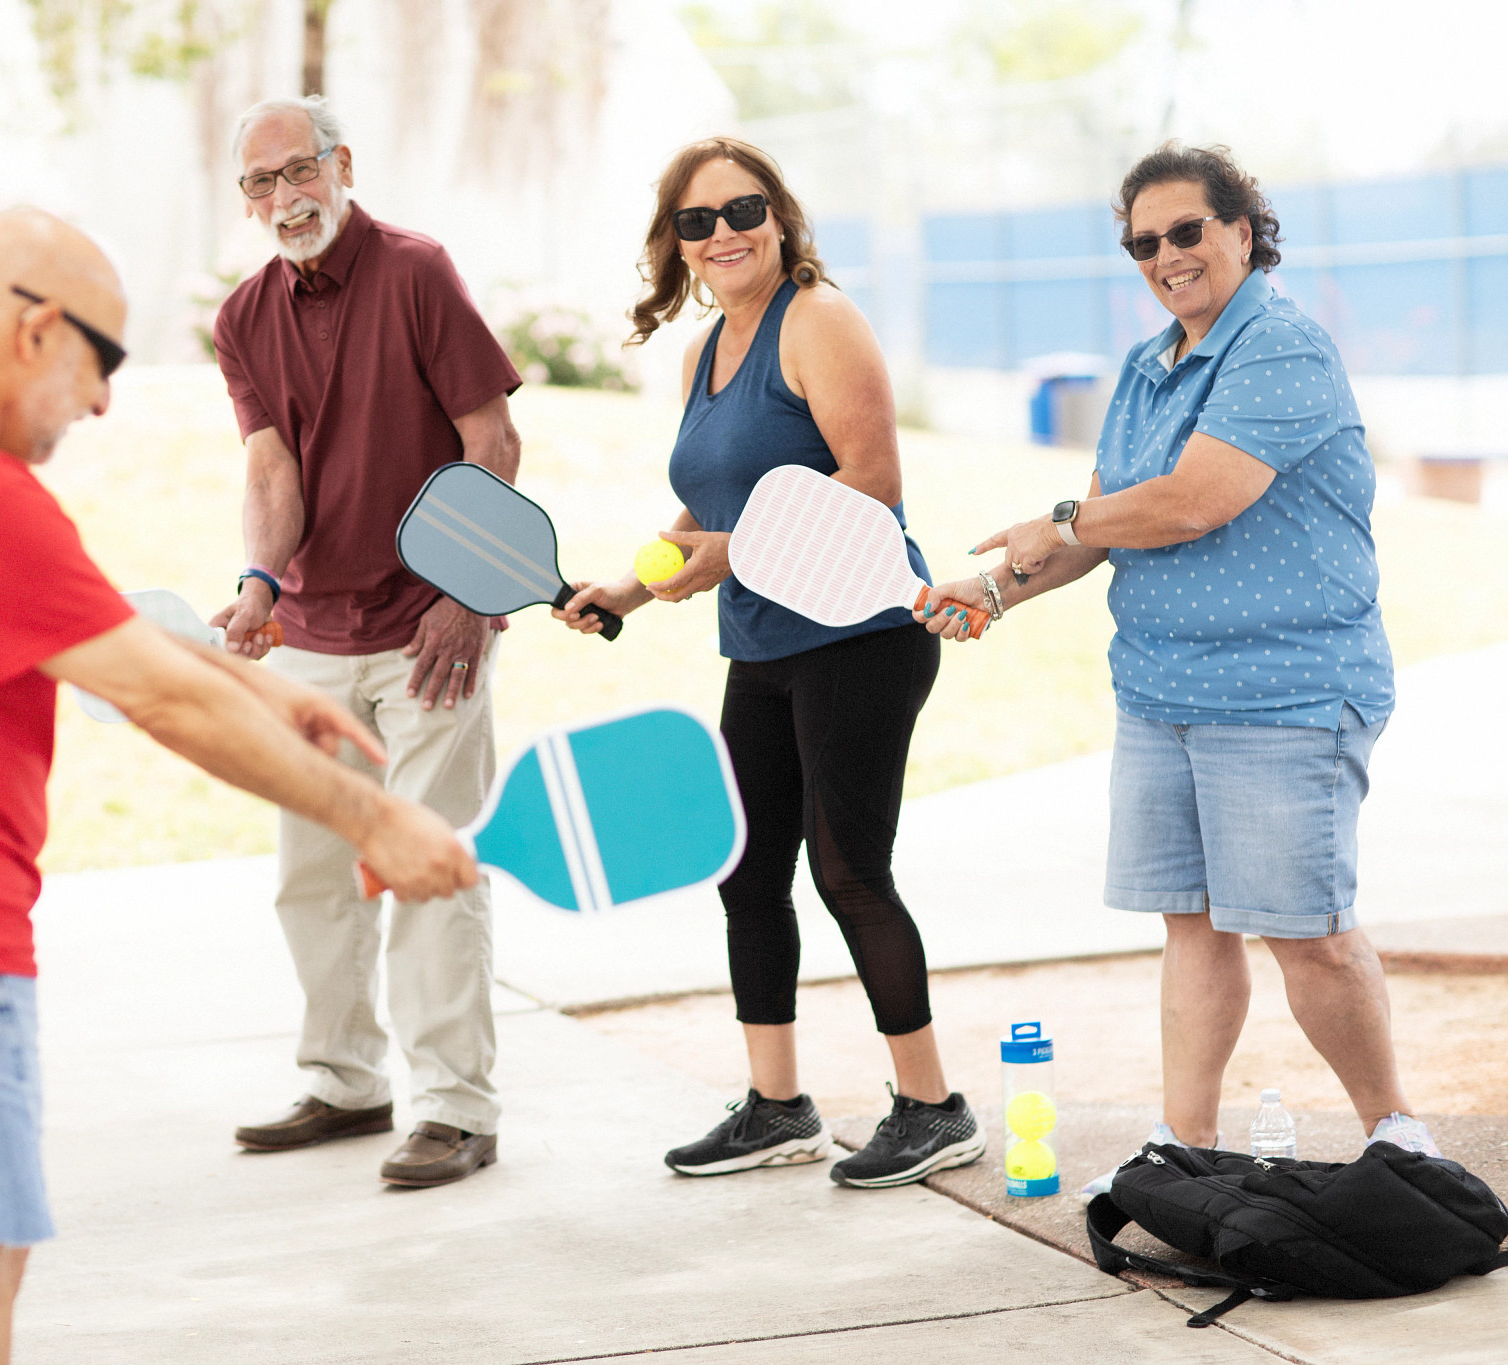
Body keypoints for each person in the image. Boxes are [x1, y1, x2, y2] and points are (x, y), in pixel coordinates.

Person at [0, 208, 474, 1365]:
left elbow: (82, 624)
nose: (103, 402)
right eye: (102, 361)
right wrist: (372, 815)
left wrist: (257, 689)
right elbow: (152, 698)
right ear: (37, 330)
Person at [922, 142, 1440, 1177]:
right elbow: (1107, 526)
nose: (1164, 256)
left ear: (1241, 231)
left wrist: (1062, 514)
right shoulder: (1144, 365)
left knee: (1308, 935)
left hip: (1283, 692)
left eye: (1184, 231)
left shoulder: (1278, 348)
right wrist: (989, 592)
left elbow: (1192, 500)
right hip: (1159, 692)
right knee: (1192, 928)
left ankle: (1397, 1135)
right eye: (1141, 243)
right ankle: (1183, 1145)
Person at [555, 137, 983, 1187]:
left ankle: (932, 1107)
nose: (722, 235)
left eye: (739, 210)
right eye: (696, 222)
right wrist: (629, 583)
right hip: (762, 642)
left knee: (846, 872)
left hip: (859, 637)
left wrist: (728, 554)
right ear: (677, 244)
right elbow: (706, 507)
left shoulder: (817, 319)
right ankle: (776, 1107)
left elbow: (871, 481)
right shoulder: (710, 347)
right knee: (746, 870)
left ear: (779, 216)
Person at [207, 96, 525, 1189]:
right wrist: (255, 585)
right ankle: (345, 1082)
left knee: (425, 866)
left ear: (342, 164)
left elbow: (491, 439)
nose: (283, 197)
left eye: (299, 171)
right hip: (310, 633)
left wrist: (466, 591)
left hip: (430, 629)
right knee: (309, 872)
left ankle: (454, 1108)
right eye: (259, 182)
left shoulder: (416, 272)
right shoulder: (241, 318)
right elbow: (270, 469)